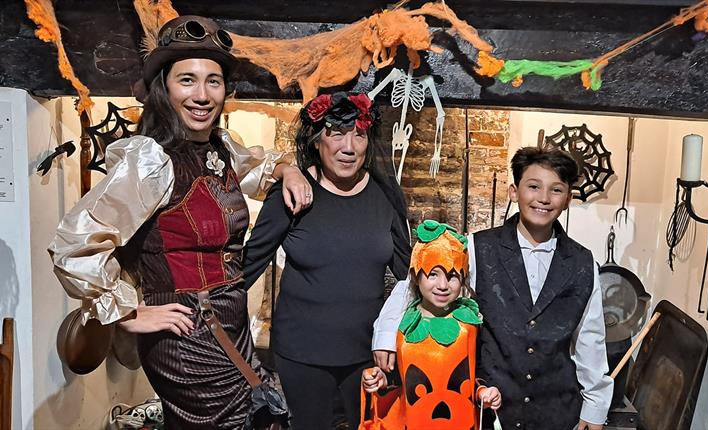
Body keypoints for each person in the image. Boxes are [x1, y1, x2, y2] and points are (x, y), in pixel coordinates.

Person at [48, 15, 312, 429]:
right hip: (185, 332)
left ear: (226, 90)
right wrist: (130, 313)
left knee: (262, 417)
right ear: (164, 89)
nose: (202, 95)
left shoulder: (221, 147)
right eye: (187, 80)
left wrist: (288, 170)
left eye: (214, 81)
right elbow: (73, 246)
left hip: (231, 323)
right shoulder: (150, 161)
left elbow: (256, 166)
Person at [373, 147, 613, 430]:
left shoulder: (583, 262)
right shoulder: (478, 246)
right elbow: (415, 282)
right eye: (533, 187)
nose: (544, 199)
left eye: (556, 190)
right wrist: (386, 335)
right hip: (489, 409)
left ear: (568, 200)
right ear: (514, 192)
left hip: (556, 412)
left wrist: (595, 409)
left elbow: (591, 338)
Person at [241, 91, 412, 429]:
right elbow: (247, 266)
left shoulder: (384, 197)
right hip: (302, 356)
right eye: (336, 132)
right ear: (317, 140)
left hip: (367, 356)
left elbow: (410, 274)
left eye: (358, 134)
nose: (348, 147)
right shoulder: (293, 192)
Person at [361, 220, 501, 429]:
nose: (443, 285)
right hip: (412, 420)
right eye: (433, 274)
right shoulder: (402, 324)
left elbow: (476, 374)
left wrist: (484, 393)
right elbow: (396, 380)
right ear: (415, 277)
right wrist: (379, 380)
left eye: (453, 276)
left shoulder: (470, 325)